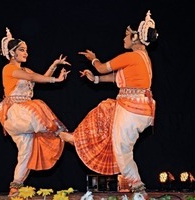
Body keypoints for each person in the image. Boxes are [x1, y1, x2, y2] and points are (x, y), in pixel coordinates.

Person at [59, 10, 158, 199]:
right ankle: (78, 138)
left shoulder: (132, 56)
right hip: (137, 108)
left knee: (122, 151)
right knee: (105, 111)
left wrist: (93, 59)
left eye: (126, 34)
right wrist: (95, 79)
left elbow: (102, 66)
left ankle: (139, 190)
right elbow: (117, 77)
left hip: (132, 108)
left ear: (135, 38)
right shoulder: (143, 58)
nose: (124, 38)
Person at [0, 27, 71, 197]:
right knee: (38, 105)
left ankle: (15, 187)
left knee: (26, 151)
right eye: (22, 50)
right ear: (12, 53)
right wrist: (56, 79)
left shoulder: (27, 70)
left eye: (27, 50)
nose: (26, 53)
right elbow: (32, 79)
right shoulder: (8, 69)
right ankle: (61, 133)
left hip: (25, 113)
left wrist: (53, 66)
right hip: (15, 113)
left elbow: (39, 77)